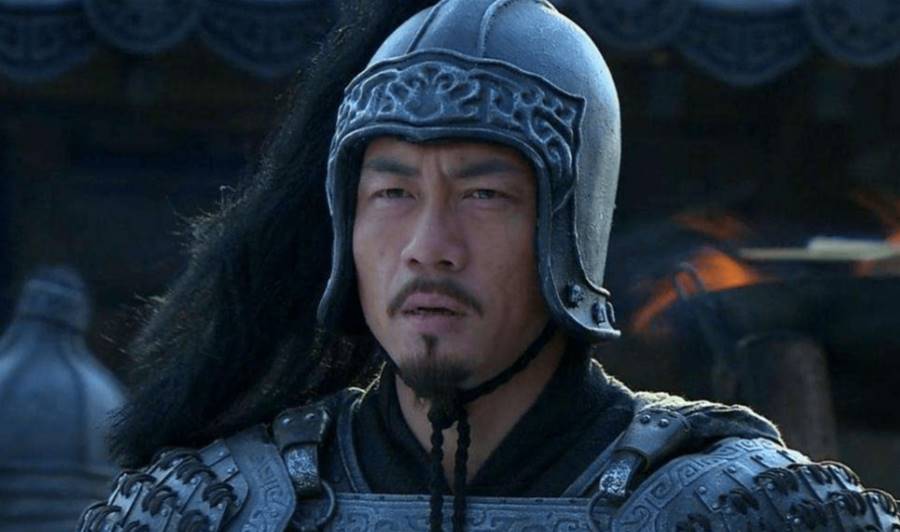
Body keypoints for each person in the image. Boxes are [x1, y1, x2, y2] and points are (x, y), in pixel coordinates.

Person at [79, 1, 898, 530]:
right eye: (393, 192)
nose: (427, 245)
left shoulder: (735, 508)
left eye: (483, 195)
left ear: (568, 225)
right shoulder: (212, 509)